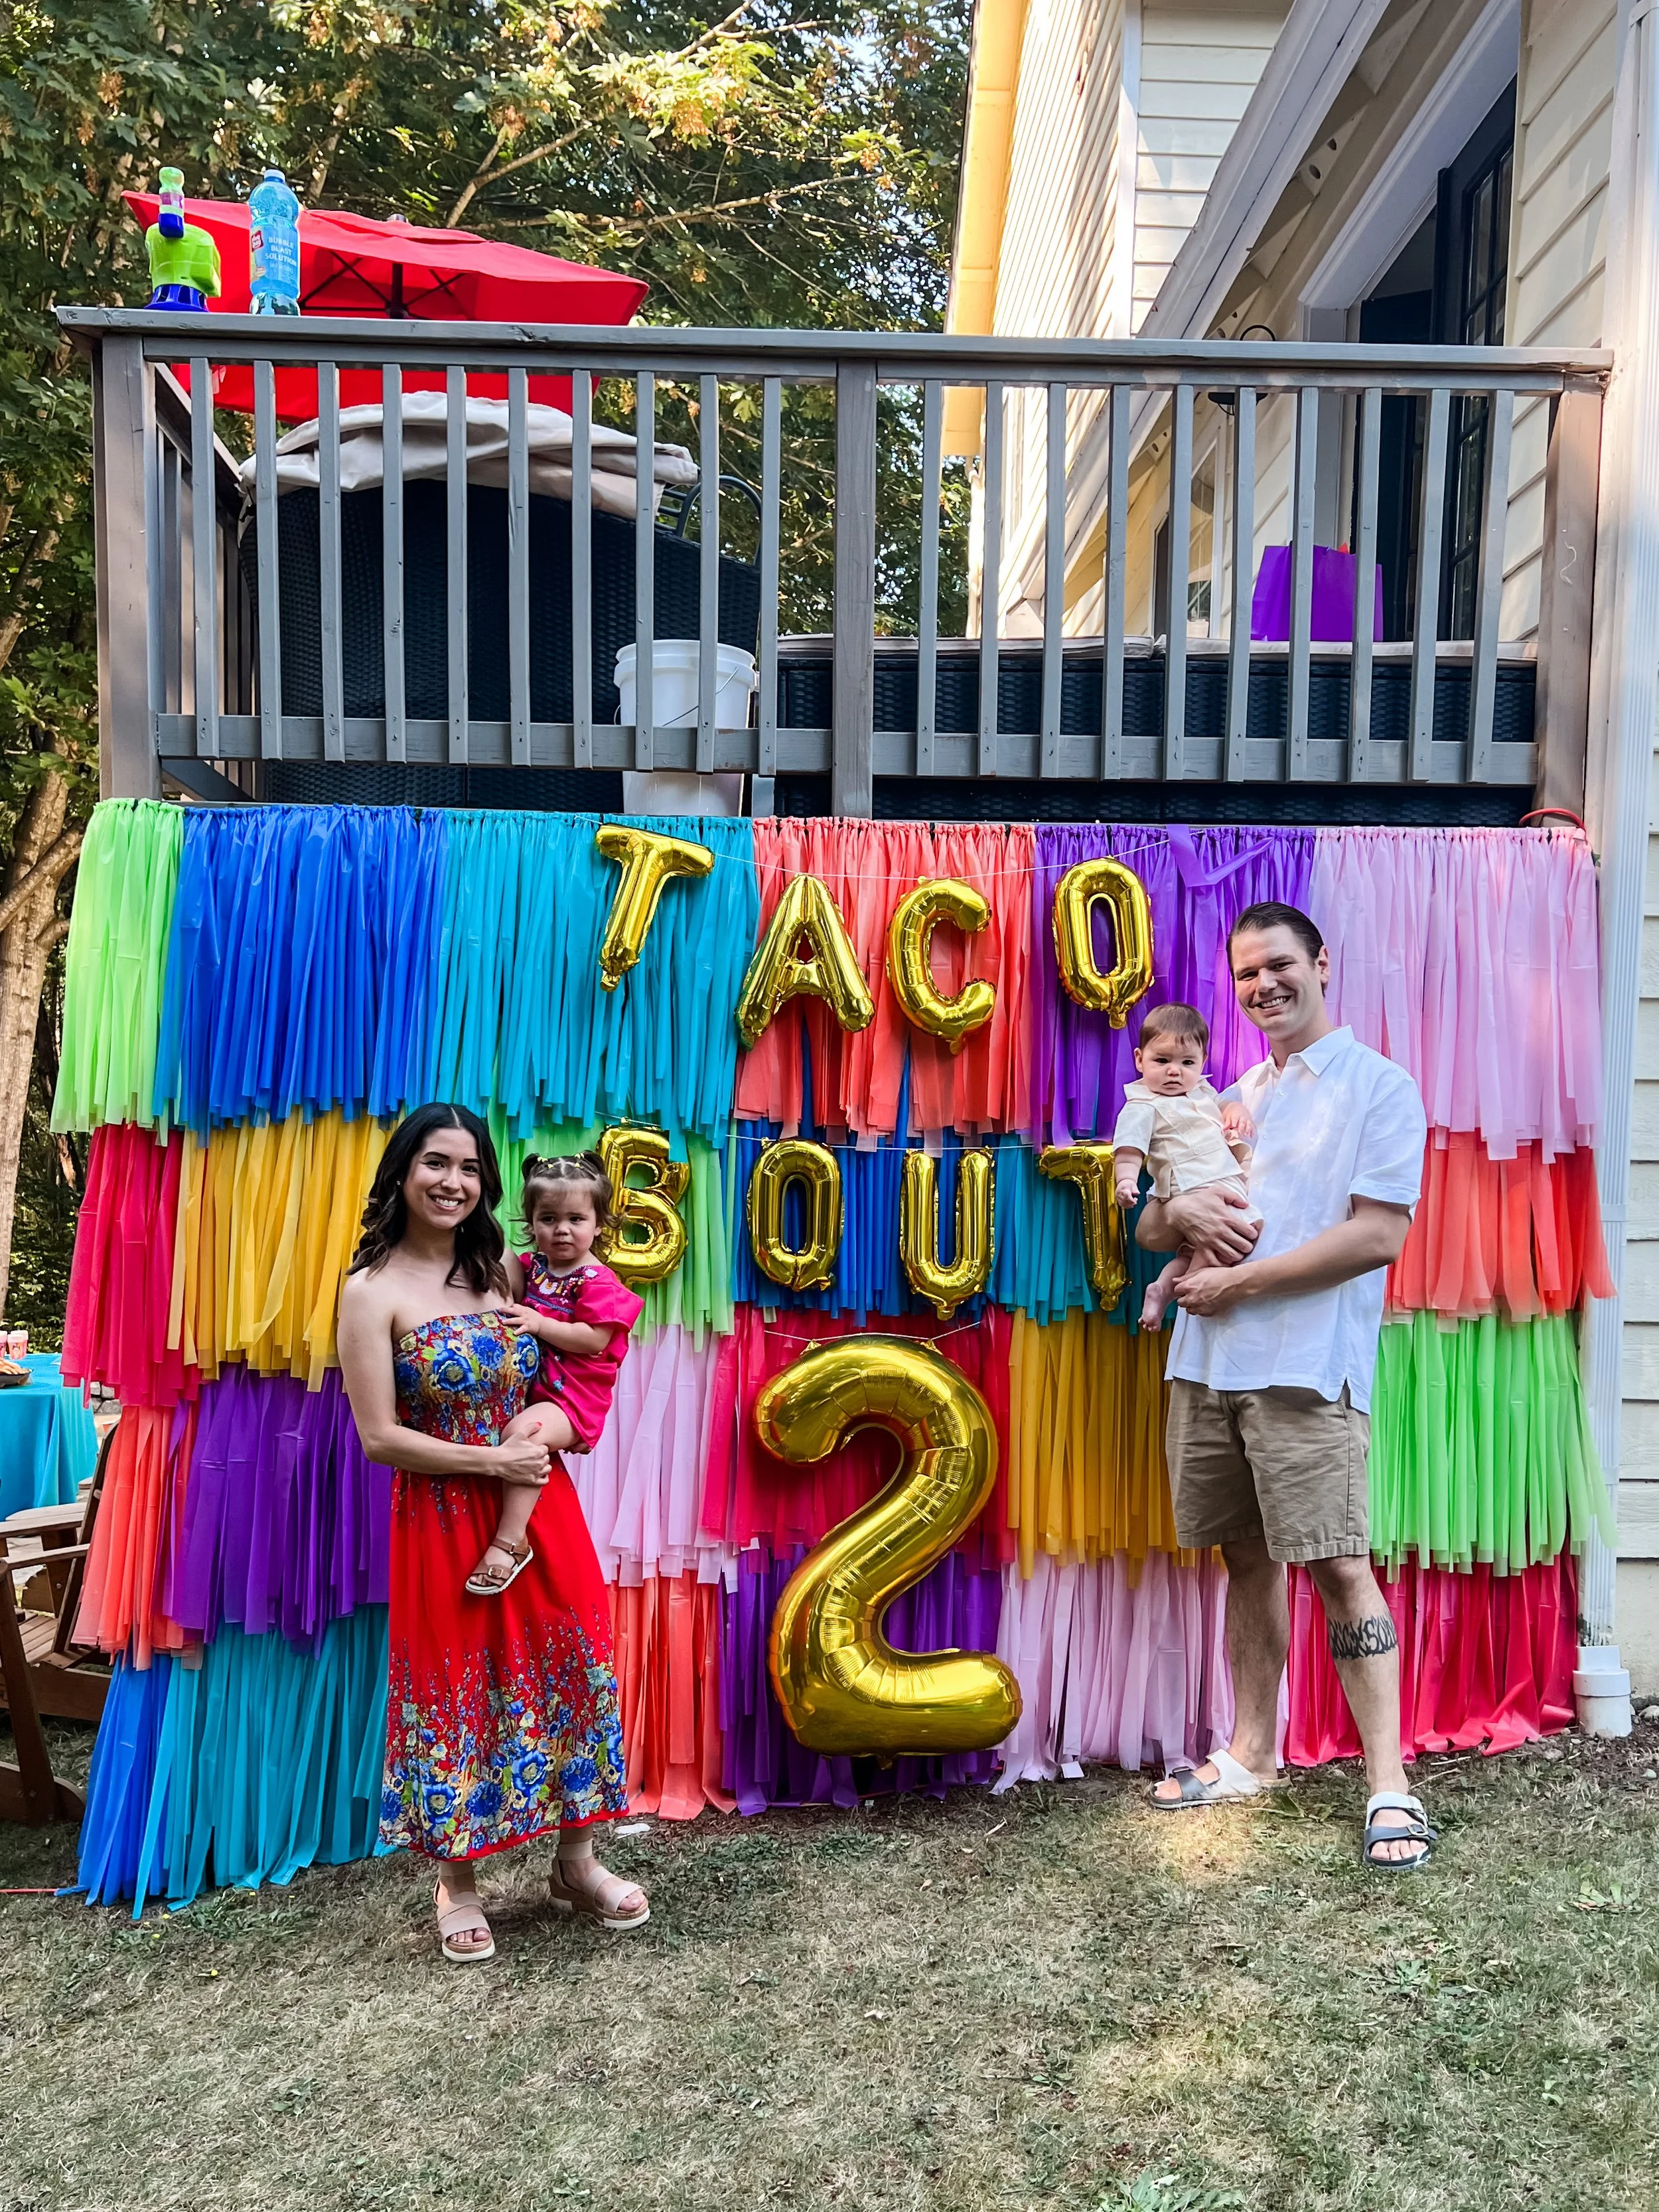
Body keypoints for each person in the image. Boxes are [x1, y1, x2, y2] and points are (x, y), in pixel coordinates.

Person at [1137, 903, 1434, 1872]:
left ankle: (1390, 1784)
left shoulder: (1377, 1088)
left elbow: (1377, 1238)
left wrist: (1234, 1283)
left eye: (1279, 966)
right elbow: (1152, 1226)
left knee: (1341, 1564)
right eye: (1247, 974)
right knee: (1245, 1560)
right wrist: (1176, 1208)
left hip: (1307, 1368)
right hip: (1208, 1364)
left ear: (1321, 964)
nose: (1263, 985)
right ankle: (1250, 1754)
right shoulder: (1229, 1095)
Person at [337, 1102, 650, 1963]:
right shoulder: (371, 1291)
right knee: (455, 1687)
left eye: (470, 1167)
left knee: (572, 1668)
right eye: (437, 1163)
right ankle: (458, 1882)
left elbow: (588, 1354)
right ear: (403, 1172)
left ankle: (576, 1861)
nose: (453, 1181)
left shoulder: (505, 1274)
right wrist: (493, 1468)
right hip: (443, 1514)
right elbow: (378, 1437)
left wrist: (545, 1440)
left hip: (541, 1508)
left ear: (486, 1184)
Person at [469, 1152, 642, 1599]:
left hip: (574, 1398)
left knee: (524, 1433)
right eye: (548, 1218)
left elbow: (594, 1339)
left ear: (599, 1224)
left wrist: (539, 1323)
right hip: (539, 1386)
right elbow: (498, 1269)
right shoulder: (536, 1269)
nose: (561, 1229)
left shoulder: (597, 1281)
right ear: (532, 1223)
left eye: (575, 1218)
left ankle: (510, 1541)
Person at [1110, 1001, 1259, 1330]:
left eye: (1187, 1062)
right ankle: (1192, 1284)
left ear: (1203, 1062)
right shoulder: (1142, 1105)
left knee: (1200, 1247)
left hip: (1217, 1178)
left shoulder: (1202, 1090)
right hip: (1194, 1182)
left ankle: (1164, 1288)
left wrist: (1237, 1111)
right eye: (1161, 1061)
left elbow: (1223, 1105)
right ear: (1140, 1060)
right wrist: (1125, 1180)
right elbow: (1129, 1148)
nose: (1174, 1071)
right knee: (1240, 1231)